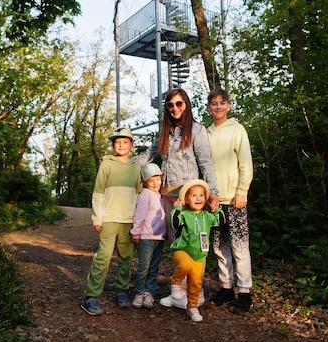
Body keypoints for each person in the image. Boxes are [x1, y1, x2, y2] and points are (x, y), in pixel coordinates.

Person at [132, 88, 220, 242]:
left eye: (179, 104)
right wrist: (126, 162)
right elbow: (149, 154)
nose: (175, 108)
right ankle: (178, 267)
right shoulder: (166, 132)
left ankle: (196, 268)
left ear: (186, 104)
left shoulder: (197, 130)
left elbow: (206, 162)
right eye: (170, 105)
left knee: (193, 238)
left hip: (187, 193)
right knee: (174, 239)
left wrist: (213, 193)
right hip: (167, 194)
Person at [80, 127, 142, 316]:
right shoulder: (106, 164)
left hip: (128, 220)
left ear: (131, 145)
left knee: (126, 257)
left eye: (125, 141)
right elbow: (98, 192)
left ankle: (121, 291)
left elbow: (139, 194)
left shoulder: (135, 167)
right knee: (103, 257)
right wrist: (97, 217)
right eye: (117, 141)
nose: (121, 144)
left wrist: (138, 222)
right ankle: (90, 296)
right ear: (113, 145)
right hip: (109, 219)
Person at [206, 89, 254, 313]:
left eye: (222, 103)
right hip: (214, 200)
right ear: (208, 107)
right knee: (219, 246)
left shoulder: (237, 130)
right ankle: (226, 288)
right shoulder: (205, 134)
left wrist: (242, 191)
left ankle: (245, 291)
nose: (218, 107)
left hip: (234, 199)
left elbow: (245, 162)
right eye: (214, 103)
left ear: (228, 106)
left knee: (239, 246)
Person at [169, 179, 226, 322]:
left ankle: (192, 307)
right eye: (194, 196)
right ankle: (175, 283)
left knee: (196, 282)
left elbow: (220, 223)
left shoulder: (207, 216)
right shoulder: (184, 214)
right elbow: (174, 224)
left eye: (201, 195)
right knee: (185, 265)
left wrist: (216, 209)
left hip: (199, 254)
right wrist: (176, 208)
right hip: (182, 250)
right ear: (186, 199)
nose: (198, 198)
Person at [130, 163, 166, 309]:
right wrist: (136, 232)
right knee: (144, 267)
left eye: (157, 179)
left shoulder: (160, 196)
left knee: (153, 267)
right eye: (151, 181)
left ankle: (149, 294)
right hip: (146, 236)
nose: (155, 183)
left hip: (159, 238)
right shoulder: (145, 194)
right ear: (145, 182)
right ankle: (139, 293)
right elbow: (139, 215)